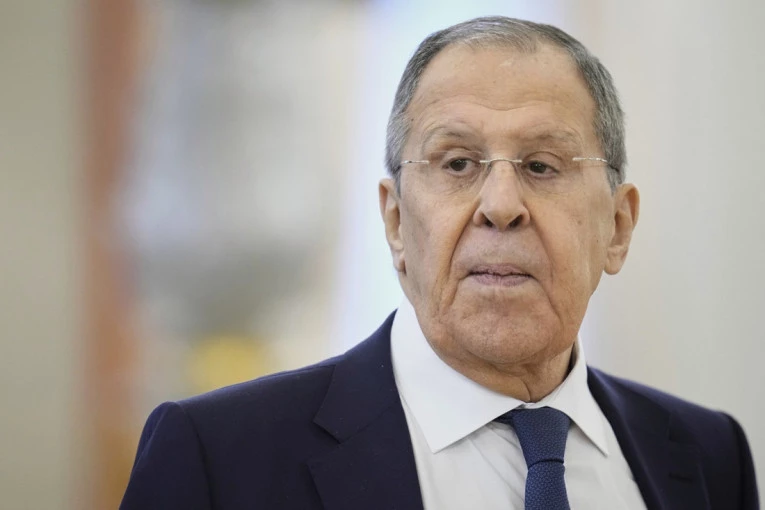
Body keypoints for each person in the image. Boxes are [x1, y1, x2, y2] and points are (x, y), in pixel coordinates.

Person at [119, 16, 758, 510]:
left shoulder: (707, 456)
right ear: (396, 221)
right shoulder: (221, 457)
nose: (501, 206)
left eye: (542, 166)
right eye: (457, 163)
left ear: (617, 227)